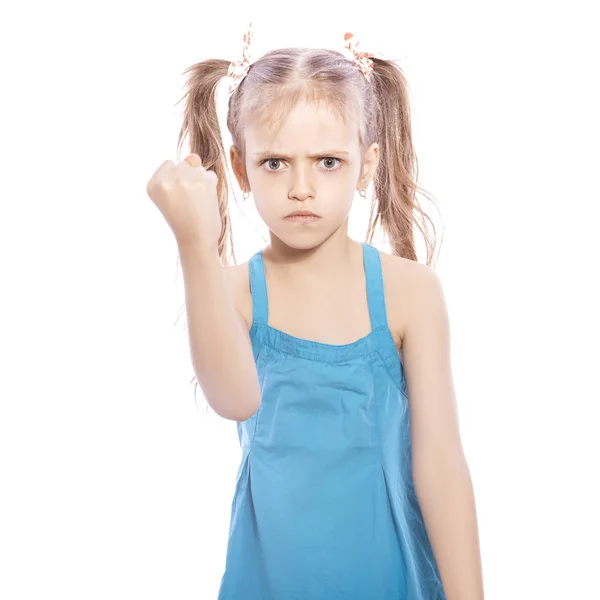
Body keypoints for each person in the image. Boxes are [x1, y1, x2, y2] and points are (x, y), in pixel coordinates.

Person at [146, 22, 484, 600]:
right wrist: (194, 246)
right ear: (240, 166)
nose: (302, 187)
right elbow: (235, 399)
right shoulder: (232, 292)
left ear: (368, 164)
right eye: (275, 163)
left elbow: (441, 464)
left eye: (327, 161)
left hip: (388, 579)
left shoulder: (410, 292)